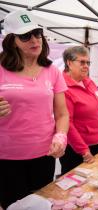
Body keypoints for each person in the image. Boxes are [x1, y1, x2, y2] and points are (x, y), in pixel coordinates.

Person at [0, 10, 69, 209]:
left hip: (44, 155)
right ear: (12, 40)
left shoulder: (52, 71)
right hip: (7, 158)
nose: (34, 40)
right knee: (13, 205)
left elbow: (62, 113)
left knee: (43, 204)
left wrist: (61, 136)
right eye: (25, 36)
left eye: (37, 33)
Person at [60, 46, 98, 175]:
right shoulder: (64, 88)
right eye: (82, 62)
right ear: (69, 63)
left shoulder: (88, 82)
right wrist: (84, 150)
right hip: (77, 150)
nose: (86, 66)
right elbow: (67, 124)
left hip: (97, 143)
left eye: (88, 62)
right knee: (75, 186)